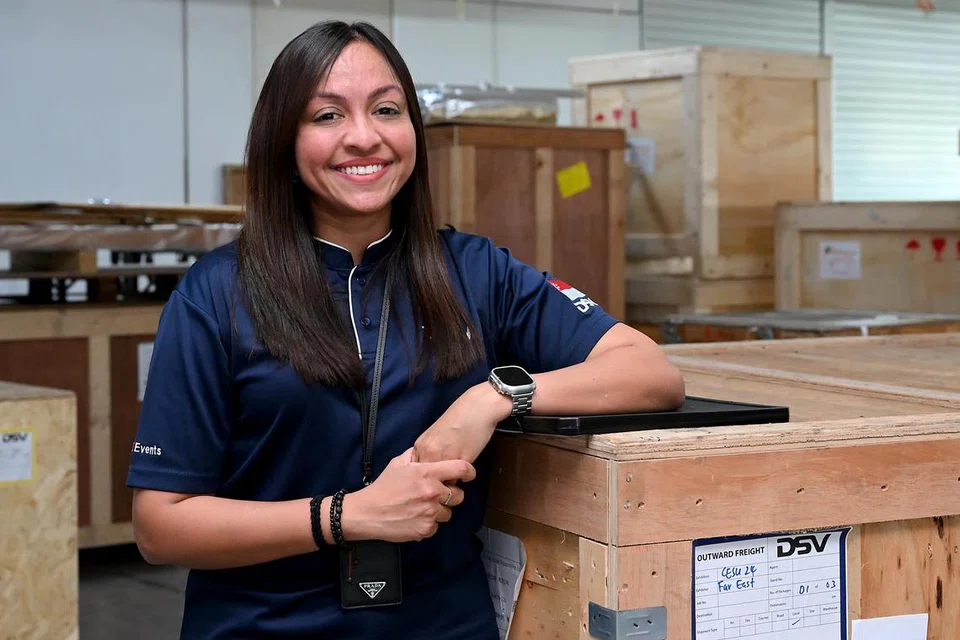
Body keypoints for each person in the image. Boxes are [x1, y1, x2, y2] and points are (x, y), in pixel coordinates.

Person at [126, 19, 685, 640]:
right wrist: (347, 516)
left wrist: (494, 397)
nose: (364, 138)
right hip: (264, 624)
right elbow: (161, 526)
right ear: (283, 138)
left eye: (386, 110)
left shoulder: (476, 272)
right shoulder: (215, 294)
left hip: (441, 624)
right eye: (327, 116)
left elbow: (649, 372)